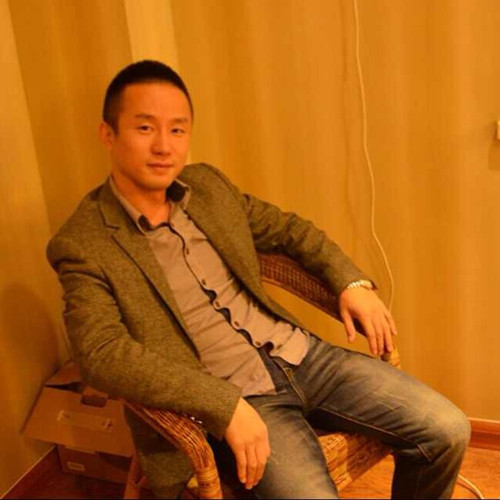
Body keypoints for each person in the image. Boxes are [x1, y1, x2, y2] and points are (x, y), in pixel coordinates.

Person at [47, 60, 470, 499]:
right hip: (238, 396)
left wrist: (352, 284)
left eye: (177, 129)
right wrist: (221, 403)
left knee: (447, 430)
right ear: (108, 134)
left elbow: (290, 231)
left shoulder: (207, 186)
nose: (164, 146)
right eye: (144, 128)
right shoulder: (84, 241)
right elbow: (102, 354)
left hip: (304, 357)